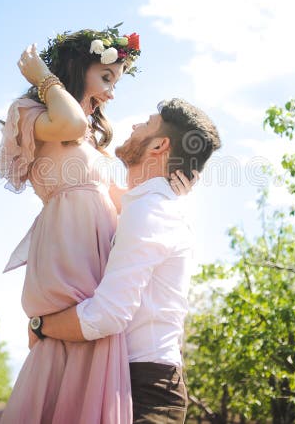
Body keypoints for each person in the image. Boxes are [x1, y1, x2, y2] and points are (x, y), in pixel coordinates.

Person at [0, 28, 194, 424]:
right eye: (106, 78)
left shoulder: (91, 139)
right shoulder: (33, 114)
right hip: (69, 255)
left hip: (95, 255)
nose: (110, 93)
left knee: (72, 375)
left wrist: (168, 198)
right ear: (77, 68)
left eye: (116, 83)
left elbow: (117, 198)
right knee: (72, 355)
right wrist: (43, 77)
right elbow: (70, 123)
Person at [28, 98, 221, 424]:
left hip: (147, 393)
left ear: (160, 144)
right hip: (123, 379)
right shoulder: (148, 205)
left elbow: (107, 314)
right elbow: (108, 186)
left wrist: (41, 326)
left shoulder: (151, 211)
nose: (134, 126)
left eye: (146, 123)